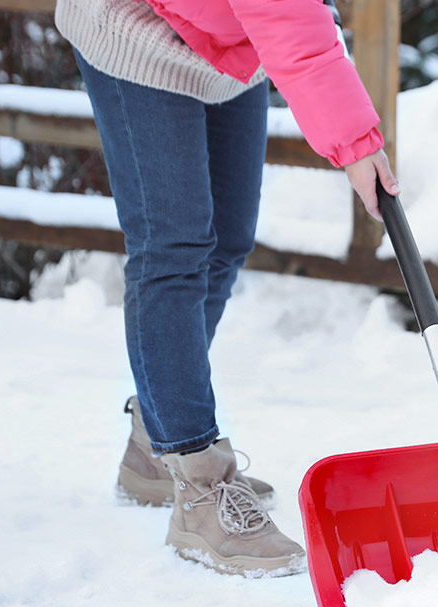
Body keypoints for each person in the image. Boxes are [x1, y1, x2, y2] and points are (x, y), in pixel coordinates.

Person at [55, 0, 398, 577]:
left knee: (227, 239)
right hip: (137, 28)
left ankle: (151, 440)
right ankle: (198, 486)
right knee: (173, 247)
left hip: (227, 43)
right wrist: (356, 144)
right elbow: (291, 20)